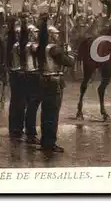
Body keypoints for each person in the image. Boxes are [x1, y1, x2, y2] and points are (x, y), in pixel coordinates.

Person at [37, 17, 75, 153]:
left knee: (46, 113)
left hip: (44, 81)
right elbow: (69, 62)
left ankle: (45, 141)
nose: (58, 36)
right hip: (54, 82)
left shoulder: (42, 47)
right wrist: (69, 51)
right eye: (56, 34)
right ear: (51, 36)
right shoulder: (54, 49)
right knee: (53, 115)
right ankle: (50, 142)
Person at [22, 22, 41, 145]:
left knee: (31, 105)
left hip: (31, 74)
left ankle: (29, 130)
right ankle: (31, 133)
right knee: (32, 105)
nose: (37, 34)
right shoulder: (30, 45)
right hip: (31, 75)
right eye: (35, 32)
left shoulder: (32, 44)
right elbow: (40, 50)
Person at [7, 19, 24, 140]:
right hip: (16, 73)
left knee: (20, 102)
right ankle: (14, 128)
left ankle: (18, 127)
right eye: (16, 33)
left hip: (19, 73)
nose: (18, 35)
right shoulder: (15, 46)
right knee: (16, 102)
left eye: (20, 33)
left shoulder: (19, 45)